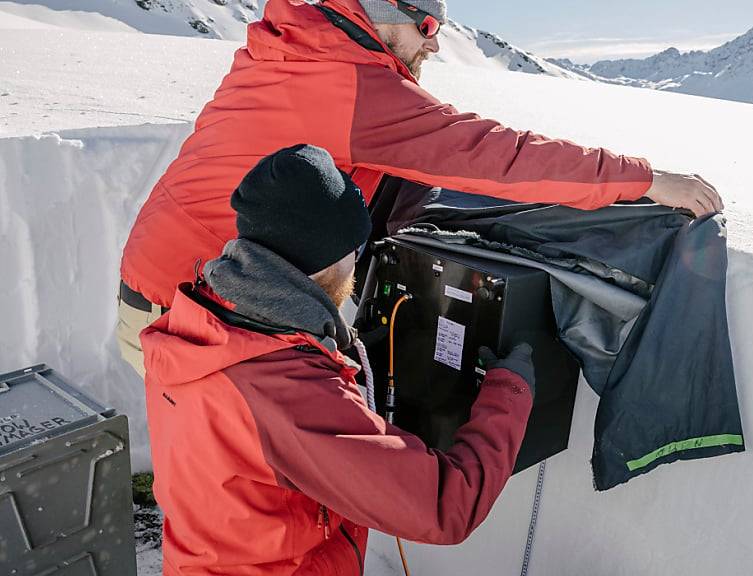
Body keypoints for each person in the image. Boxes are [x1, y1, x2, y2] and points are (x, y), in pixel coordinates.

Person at [117, 0, 723, 376]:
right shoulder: (351, 86)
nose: (435, 42)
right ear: (383, 11)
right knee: (255, 497)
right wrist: (647, 180)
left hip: (166, 282)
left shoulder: (292, 49)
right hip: (198, 303)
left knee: (215, 469)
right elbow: (497, 156)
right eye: (429, 23)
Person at [142, 144, 537, 574]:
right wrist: (509, 393)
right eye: (354, 249)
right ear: (329, 260)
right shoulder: (286, 393)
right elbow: (444, 508)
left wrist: (338, 351)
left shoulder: (199, 322)